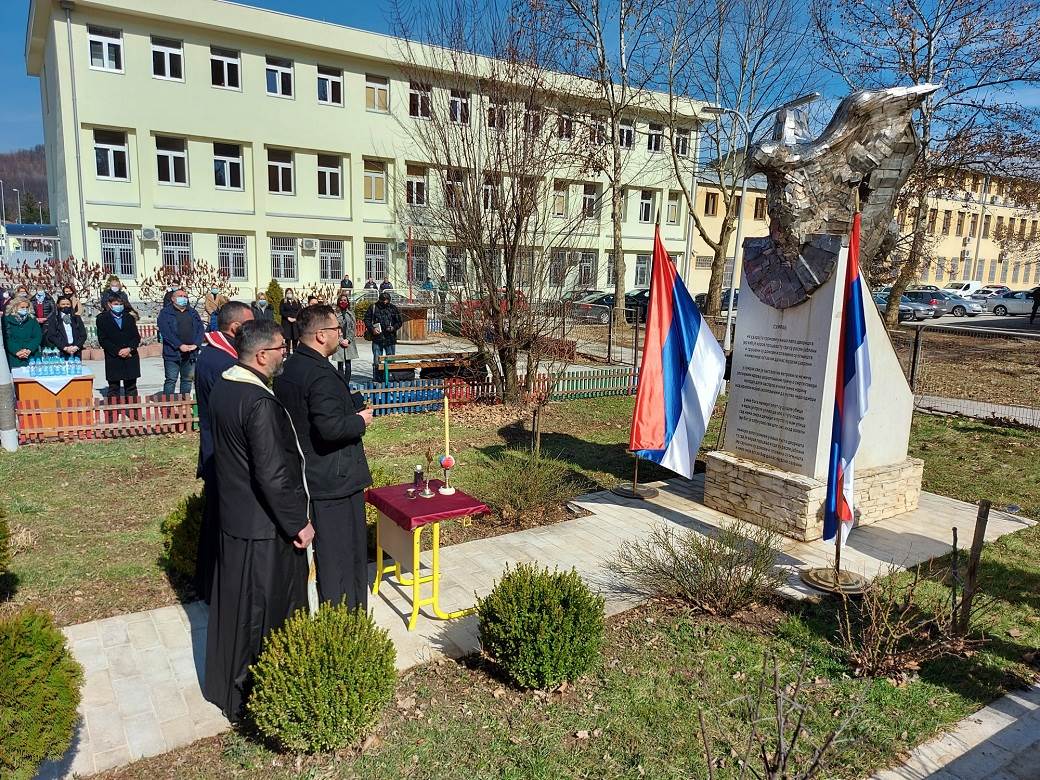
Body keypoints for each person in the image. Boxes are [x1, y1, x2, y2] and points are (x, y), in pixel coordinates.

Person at [203, 319, 314, 722]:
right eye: (282, 348)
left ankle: (224, 686)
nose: (286, 353)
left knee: (236, 608)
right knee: (262, 613)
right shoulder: (258, 403)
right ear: (263, 354)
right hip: (264, 529)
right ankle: (256, 694)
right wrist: (297, 523)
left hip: (234, 519)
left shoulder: (225, 387)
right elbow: (272, 474)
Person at [274, 305, 373, 608]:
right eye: (336, 330)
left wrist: (349, 403)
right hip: (335, 481)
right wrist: (360, 421)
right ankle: (346, 620)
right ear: (320, 335)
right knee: (342, 556)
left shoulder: (291, 366)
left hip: (312, 474)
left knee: (332, 554)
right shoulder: (319, 374)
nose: (340, 335)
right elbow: (329, 428)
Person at [194, 300, 254, 604]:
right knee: (220, 526)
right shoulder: (221, 362)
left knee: (213, 522)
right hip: (222, 455)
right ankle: (214, 589)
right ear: (235, 328)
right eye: (250, 324)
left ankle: (207, 586)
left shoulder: (214, 353)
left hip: (216, 449)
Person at [157, 288, 204, 397]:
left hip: (190, 353)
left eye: (185, 296)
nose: (183, 298)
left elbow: (200, 329)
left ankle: (184, 403)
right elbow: (166, 332)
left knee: (187, 379)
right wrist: (179, 345)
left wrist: (196, 344)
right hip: (172, 353)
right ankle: (168, 406)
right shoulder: (165, 313)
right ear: (173, 299)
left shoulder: (192, 312)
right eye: (180, 296)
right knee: (171, 380)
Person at [95, 295, 141, 399]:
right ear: (109, 305)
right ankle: (113, 413)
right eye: (116, 304)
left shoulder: (129, 317)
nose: (119, 306)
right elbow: (103, 339)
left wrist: (129, 348)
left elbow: (136, 337)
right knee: (114, 388)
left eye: (121, 304)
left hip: (130, 355)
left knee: (131, 387)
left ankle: (133, 412)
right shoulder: (102, 319)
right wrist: (117, 351)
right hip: (113, 357)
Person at [363, 291, 402, 376]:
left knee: (391, 360)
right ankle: (378, 377)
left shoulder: (393, 308)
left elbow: (399, 322)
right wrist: (372, 329)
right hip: (377, 337)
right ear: (380, 300)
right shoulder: (373, 307)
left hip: (390, 337)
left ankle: (391, 378)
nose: (385, 302)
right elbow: (367, 320)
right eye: (383, 300)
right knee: (377, 360)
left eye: (387, 300)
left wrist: (393, 328)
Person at [3, 298, 43, 368]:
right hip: (14, 356)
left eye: (27, 307)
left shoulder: (32, 319)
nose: (25, 309)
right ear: (14, 307)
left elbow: (37, 336)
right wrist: (17, 351)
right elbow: (6, 338)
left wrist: (28, 349)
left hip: (31, 355)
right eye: (22, 307)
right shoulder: (6, 319)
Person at [333, 292, 359, 380]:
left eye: (345, 300)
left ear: (347, 302)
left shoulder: (351, 314)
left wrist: (348, 340)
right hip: (338, 341)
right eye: (341, 300)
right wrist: (340, 340)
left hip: (349, 342)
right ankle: (341, 384)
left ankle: (347, 384)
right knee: (340, 364)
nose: (343, 302)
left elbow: (353, 328)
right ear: (338, 302)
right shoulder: (335, 314)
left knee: (348, 364)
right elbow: (334, 328)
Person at [280, 288, 302, 353]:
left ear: (292, 293)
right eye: (288, 293)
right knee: (288, 339)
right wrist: (288, 317)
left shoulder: (296, 301)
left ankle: (295, 354)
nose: (289, 294)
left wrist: (295, 318)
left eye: (290, 293)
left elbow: (299, 310)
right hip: (287, 323)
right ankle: (288, 354)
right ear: (286, 294)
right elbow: (281, 311)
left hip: (295, 323)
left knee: (295, 339)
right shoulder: (283, 301)